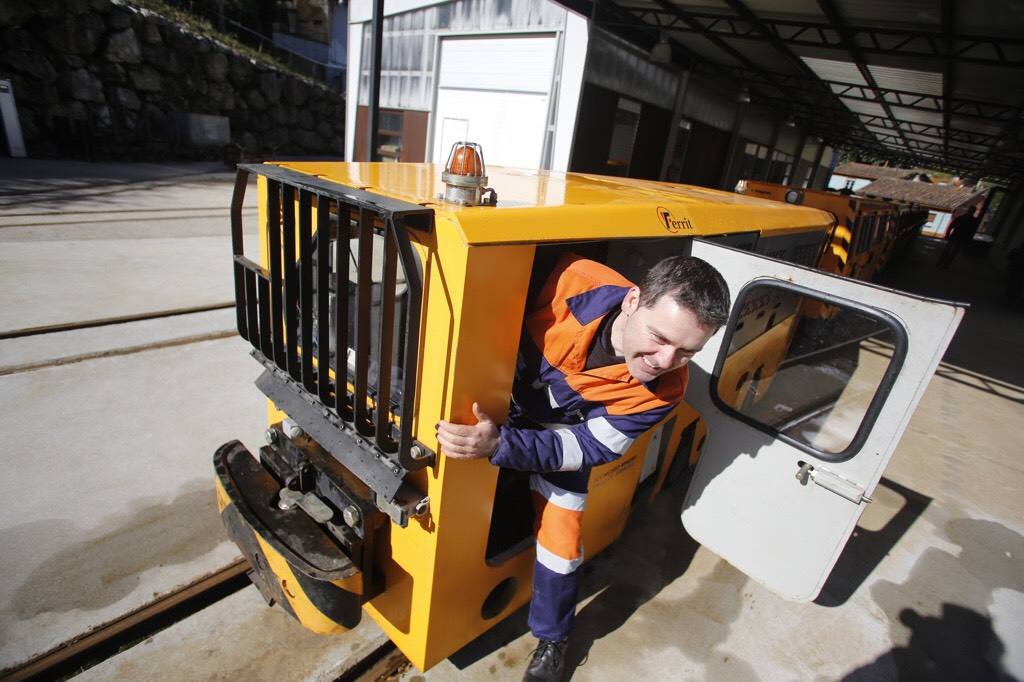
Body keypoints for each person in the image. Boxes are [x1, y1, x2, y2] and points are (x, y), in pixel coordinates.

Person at [436, 253, 730, 681]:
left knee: (562, 542)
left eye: (687, 352)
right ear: (632, 302)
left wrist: (503, 444)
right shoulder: (571, 283)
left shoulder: (665, 390)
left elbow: (589, 446)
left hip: (560, 438)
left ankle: (554, 636)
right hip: (495, 396)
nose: (665, 361)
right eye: (659, 337)